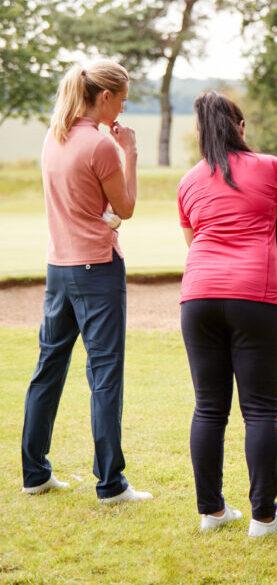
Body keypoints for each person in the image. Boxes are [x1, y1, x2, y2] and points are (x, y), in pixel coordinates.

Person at [21, 60, 152, 504]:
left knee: (48, 370)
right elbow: (126, 206)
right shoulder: (99, 145)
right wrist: (130, 152)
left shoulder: (53, 137)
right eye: (123, 99)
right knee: (104, 374)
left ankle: (34, 472)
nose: (124, 108)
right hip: (97, 268)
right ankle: (111, 484)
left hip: (59, 268)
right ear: (106, 97)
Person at [177, 91, 277, 536]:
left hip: (198, 297)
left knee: (209, 409)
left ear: (200, 133)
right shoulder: (272, 168)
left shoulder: (188, 181)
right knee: (261, 412)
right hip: (256, 297)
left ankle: (211, 513)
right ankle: (264, 519)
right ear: (241, 128)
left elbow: (195, 242)